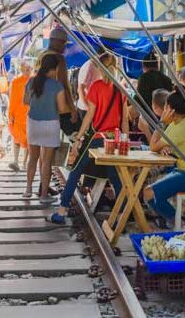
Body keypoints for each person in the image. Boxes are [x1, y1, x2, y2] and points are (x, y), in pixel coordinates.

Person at [49, 53, 128, 224]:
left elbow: (89, 116)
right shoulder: (121, 89)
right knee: (115, 177)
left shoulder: (96, 87)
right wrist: (125, 140)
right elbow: (125, 119)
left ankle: (61, 212)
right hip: (114, 141)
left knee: (75, 172)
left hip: (97, 139)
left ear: (100, 67)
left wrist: (78, 139)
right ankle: (123, 214)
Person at [144, 90, 185, 228]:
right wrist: (161, 147)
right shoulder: (181, 122)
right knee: (150, 193)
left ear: (170, 110)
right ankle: (175, 220)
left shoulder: (182, 127)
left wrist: (162, 122)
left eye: (166, 107)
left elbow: (152, 146)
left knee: (149, 193)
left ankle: (178, 223)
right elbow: (158, 145)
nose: (164, 110)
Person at [24, 54, 67, 201]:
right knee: (46, 162)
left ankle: (28, 190)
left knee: (33, 158)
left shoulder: (31, 81)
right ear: (54, 69)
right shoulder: (57, 86)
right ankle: (43, 195)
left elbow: (25, 101)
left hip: (33, 123)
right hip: (50, 125)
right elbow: (61, 108)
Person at [35, 27, 79, 134]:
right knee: (79, 138)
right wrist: (73, 109)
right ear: (54, 41)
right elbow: (62, 84)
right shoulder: (59, 58)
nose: (65, 46)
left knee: (48, 144)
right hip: (60, 109)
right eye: (63, 43)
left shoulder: (41, 56)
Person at [8, 61, 32, 172]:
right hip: (17, 114)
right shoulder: (16, 82)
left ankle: (25, 163)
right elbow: (12, 99)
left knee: (28, 140)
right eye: (25, 69)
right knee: (16, 138)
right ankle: (16, 161)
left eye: (29, 69)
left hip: (30, 114)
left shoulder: (34, 81)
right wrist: (10, 114)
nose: (27, 71)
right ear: (21, 70)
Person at [77, 46, 105, 120]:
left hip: (94, 107)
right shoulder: (88, 66)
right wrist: (87, 107)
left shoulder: (99, 66)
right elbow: (80, 89)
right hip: (85, 109)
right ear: (100, 55)